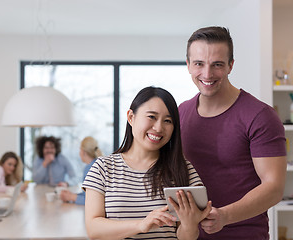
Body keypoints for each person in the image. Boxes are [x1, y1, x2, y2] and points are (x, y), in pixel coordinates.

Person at [179, 26, 287, 239]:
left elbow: (274, 187)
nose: (207, 74)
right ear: (188, 66)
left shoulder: (260, 115)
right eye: (199, 64)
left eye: (217, 64)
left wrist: (225, 216)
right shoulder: (180, 112)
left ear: (230, 66)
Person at [82, 86, 212, 239]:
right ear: (131, 117)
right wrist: (141, 225)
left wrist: (189, 225)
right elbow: (93, 230)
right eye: (151, 117)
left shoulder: (183, 169)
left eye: (168, 121)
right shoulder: (103, 168)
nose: (158, 128)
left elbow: (186, 236)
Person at [60, 136, 102, 205]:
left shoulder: (90, 169)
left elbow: (91, 201)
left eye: (80, 149)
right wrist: (72, 195)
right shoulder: (98, 164)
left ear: (84, 152)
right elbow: (88, 194)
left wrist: (71, 197)